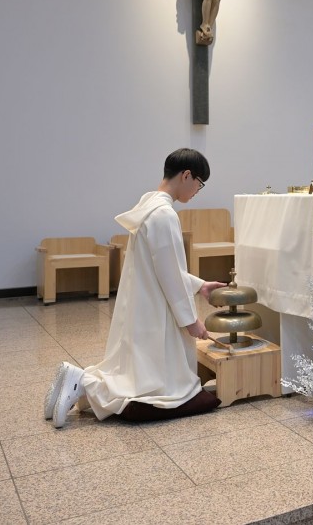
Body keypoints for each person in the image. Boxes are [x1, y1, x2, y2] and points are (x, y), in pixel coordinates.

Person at [44, 148, 227, 428]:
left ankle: (77, 381)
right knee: (165, 390)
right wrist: (191, 321)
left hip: (142, 299)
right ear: (186, 175)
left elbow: (161, 266)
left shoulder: (148, 204)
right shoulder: (164, 214)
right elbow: (169, 275)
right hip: (155, 305)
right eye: (199, 184)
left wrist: (200, 285)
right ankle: (83, 381)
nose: (197, 191)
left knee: (140, 375)